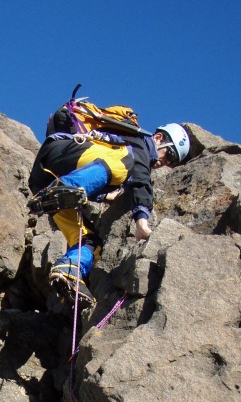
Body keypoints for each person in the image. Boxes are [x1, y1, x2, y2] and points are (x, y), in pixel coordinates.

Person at [28, 122, 190, 306]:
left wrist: (105, 195)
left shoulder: (131, 151)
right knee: (125, 161)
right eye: (169, 154)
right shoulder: (140, 143)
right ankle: (65, 188)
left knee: (90, 242)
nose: (166, 162)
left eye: (173, 162)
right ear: (159, 138)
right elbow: (142, 183)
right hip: (62, 154)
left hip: (45, 182)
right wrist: (142, 222)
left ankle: (69, 270)